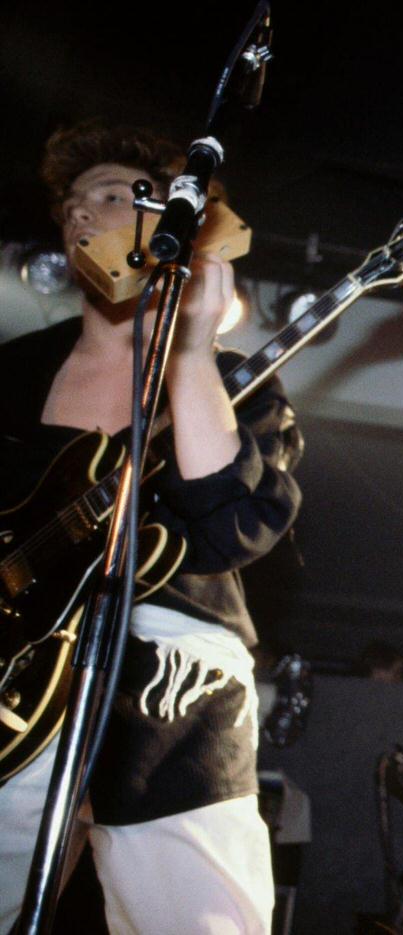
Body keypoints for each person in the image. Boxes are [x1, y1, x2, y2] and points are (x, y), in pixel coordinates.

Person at [0, 124, 302, 934]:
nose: (79, 214)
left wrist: (193, 354)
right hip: (15, 668)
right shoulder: (15, 371)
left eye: (108, 195)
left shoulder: (234, 378)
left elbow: (230, 530)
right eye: (70, 204)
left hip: (173, 672)